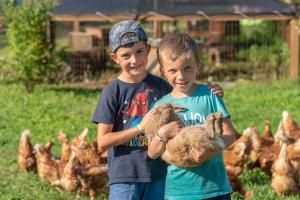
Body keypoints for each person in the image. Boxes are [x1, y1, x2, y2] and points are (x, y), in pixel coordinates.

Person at [92, 20, 225, 200]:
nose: (134, 60)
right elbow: (102, 141)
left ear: (148, 49)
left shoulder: (162, 86)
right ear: (115, 58)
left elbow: (186, 89)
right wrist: (140, 128)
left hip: (160, 174)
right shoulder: (112, 92)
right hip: (125, 175)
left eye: (139, 52)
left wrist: (211, 90)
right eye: (126, 55)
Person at [147, 32, 236, 200]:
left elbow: (230, 134)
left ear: (198, 65)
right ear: (162, 71)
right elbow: (152, 153)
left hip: (214, 188)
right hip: (178, 192)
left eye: (187, 68)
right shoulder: (160, 107)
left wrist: (209, 151)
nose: (181, 76)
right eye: (173, 70)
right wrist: (163, 134)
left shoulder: (209, 95)